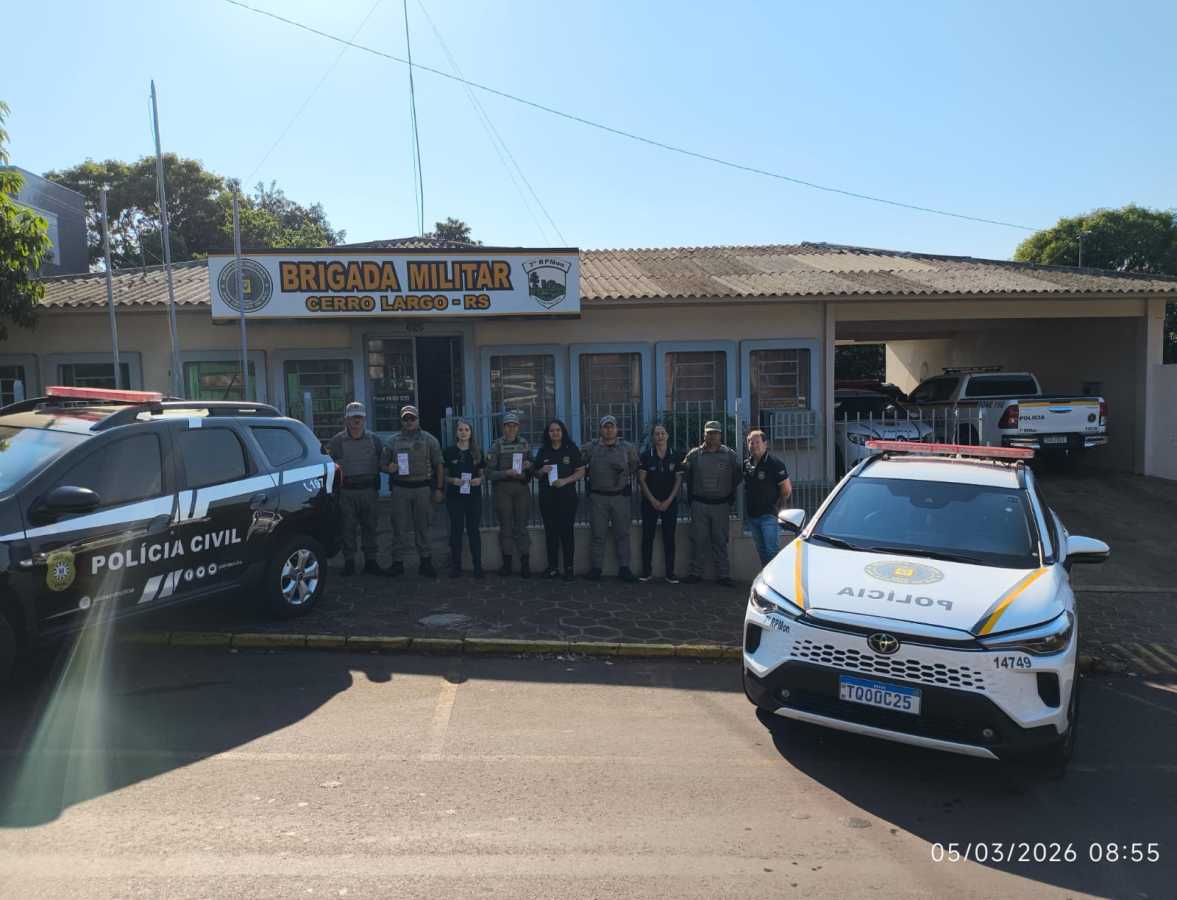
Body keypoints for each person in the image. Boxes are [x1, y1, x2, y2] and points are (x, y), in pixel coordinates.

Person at [326, 401, 388, 577]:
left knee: (371, 527)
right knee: (347, 528)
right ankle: (349, 562)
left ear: (365, 418)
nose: (357, 421)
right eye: (353, 417)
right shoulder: (337, 441)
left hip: (369, 491)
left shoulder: (374, 439)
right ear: (346, 419)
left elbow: (383, 462)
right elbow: (329, 467)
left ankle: (371, 561)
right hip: (347, 492)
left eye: (359, 417)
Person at [386, 404, 444, 578]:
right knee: (399, 527)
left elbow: (439, 465)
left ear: (418, 419)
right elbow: (382, 463)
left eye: (412, 418)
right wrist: (388, 468)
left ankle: (425, 561)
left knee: (423, 526)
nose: (409, 421)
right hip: (400, 489)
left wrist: (439, 488)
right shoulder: (392, 441)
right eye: (406, 419)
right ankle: (397, 562)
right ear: (401, 421)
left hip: (422, 489)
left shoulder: (429, 440)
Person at [682, 420, 741, 587]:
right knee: (698, 540)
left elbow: (738, 477)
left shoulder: (730, 455)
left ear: (720, 435)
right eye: (709, 433)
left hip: (721, 505)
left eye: (715, 433)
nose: (712, 436)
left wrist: (728, 494)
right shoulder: (694, 454)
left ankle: (724, 575)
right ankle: (695, 573)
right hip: (699, 504)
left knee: (720, 541)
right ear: (704, 434)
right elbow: (685, 474)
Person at [581, 415, 640, 581]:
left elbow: (635, 466)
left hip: (620, 497)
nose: (609, 430)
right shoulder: (590, 447)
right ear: (600, 430)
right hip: (598, 498)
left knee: (622, 534)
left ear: (616, 429)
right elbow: (578, 463)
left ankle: (624, 568)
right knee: (597, 535)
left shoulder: (627, 448)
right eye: (605, 427)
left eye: (611, 426)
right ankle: (596, 568)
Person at [533, 419, 585, 581]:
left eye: (557, 430)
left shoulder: (571, 449)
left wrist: (565, 481)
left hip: (567, 498)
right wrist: (542, 470)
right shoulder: (543, 450)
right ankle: (553, 567)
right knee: (550, 533)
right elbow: (536, 474)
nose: (555, 433)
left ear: (562, 432)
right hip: (547, 498)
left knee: (566, 532)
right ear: (547, 433)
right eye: (551, 430)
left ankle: (569, 568)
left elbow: (581, 471)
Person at [486, 411, 532, 578]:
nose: (511, 429)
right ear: (503, 427)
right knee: (506, 528)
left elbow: (533, 465)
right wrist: (505, 473)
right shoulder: (496, 446)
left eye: (514, 426)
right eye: (508, 426)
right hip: (503, 489)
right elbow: (489, 473)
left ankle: (525, 564)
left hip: (521, 489)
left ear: (518, 427)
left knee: (521, 527)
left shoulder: (525, 443)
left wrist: (529, 465)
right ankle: (507, 564)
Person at [638, 422, 683, 584]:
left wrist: (668, 500)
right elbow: (641, 480)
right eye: (657, 434)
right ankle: (646, 571)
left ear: (667, 435)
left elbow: (678, 480)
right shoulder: (645, 455)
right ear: (652, 437)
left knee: (669, 537)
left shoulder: (675, 455)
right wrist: (653, 500)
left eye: (662, 433)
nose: (660, 436)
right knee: (647, 537)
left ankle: (670, 573)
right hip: (649, 502)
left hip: (670, 502)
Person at [743, 429, 793, 566]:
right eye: (751, 442)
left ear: (765, 444)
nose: (754, 445)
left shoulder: (775, 463)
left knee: (771, 551)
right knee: (762, 551)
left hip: (769, 516)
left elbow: (786, 489)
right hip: (752, 516)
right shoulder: (747, 464)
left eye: (757, 442)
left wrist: (776, 506)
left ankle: (775, 577)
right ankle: (766, 576)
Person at [443, 419, 485, 578]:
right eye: (460, 429)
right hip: (455, 497)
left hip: (473, 497)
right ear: (456, 432)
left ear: (471, 433)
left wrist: (479, 480)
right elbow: (444, 475)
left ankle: (477, 566)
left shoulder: (477, 452)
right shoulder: (449, 452)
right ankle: (456, 566)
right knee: (456, 530)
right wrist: (452, 480)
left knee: (474, 530)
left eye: (467, 429)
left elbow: (482, 474)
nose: (463, 432)